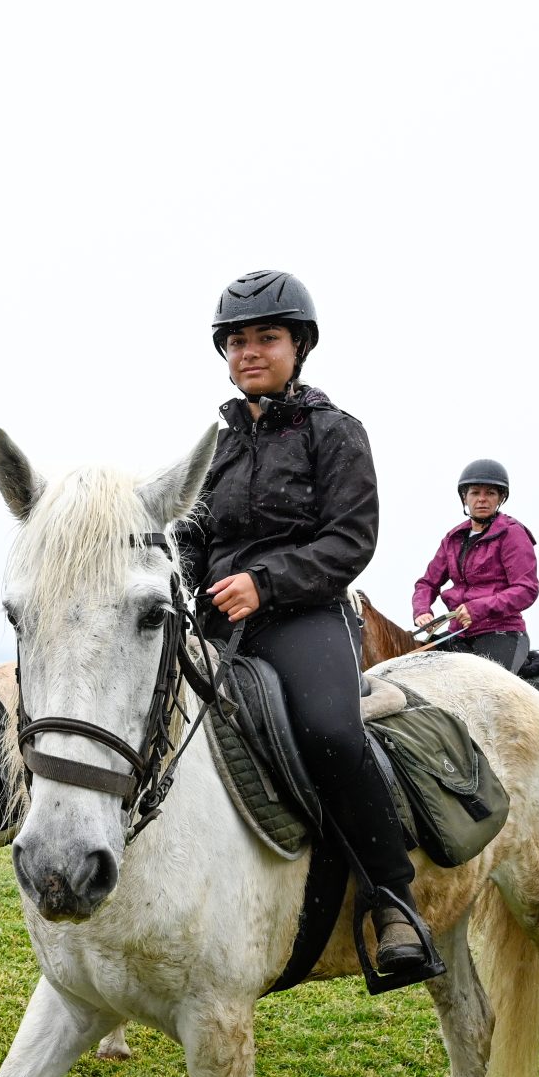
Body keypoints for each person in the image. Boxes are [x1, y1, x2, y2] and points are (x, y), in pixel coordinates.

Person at [174, 269, 438, 983]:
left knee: (330, 729)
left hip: (304, 615)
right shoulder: (218, 442)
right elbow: (194, 526)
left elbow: (351, 539)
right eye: (236, 341)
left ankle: (391, 899)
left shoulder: (335, 432)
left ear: (299, 346)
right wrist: (183, 568)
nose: (248, 352)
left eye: (265, 338)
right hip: (215, 615)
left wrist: (265, 583)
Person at [412, 459, 539, 672]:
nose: (482, 499)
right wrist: (422, 611)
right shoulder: (452, 538)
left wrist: (478, 608)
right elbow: (427, 583)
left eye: (490, 493)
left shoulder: (512, 534)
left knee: (489, 694)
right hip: (457, 634)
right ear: (465, 497)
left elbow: (526, 589)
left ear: (500, 498)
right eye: (475, 493)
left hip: (501, 633)